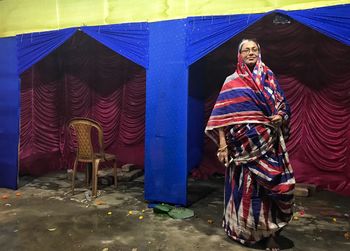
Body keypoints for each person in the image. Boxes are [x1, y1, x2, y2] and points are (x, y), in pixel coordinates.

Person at [205, 39, 295, 251]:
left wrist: (280, 116)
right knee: (245, 191)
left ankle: (272, 234)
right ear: (239, 55)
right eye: (246, 50)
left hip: (268, 144)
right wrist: (223, 146)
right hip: (241, 148)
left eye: (254, 49)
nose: (251, 53)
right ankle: (243, 231)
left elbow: (282, 104)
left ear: (260, 52)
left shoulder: (269, 77)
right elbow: (221, 117)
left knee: (272, 191)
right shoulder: (231, 81)